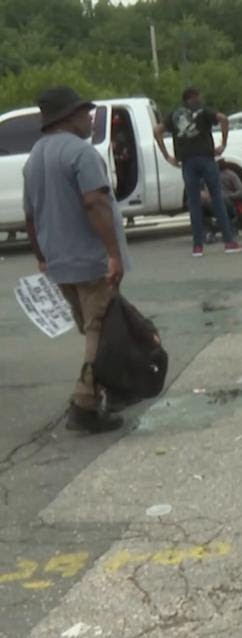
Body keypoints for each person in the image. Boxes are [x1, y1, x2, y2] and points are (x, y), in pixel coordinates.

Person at [23, 86, 131, 433]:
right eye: (85, 113)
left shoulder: (35, 157)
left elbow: (30, 215)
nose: (90, 118)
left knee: (93, 327)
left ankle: (112, 389)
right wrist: (113, 254)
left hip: (59, 262)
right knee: (99, 331)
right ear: (68, 118)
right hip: (90, 260)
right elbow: (94, 202)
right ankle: (85, 405)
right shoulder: (80, 153)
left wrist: (42, 256)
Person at [155, 86, 242, 257]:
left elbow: (157, 130)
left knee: (194, 203)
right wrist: (223, 143)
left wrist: (167, 156)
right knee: (217, 198)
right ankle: (229, 241)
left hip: (187, 161)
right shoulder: (203, 111)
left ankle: (198, 246)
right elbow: (223, 119)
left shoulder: (174, 114)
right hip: (206, 158)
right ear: (194, 97)